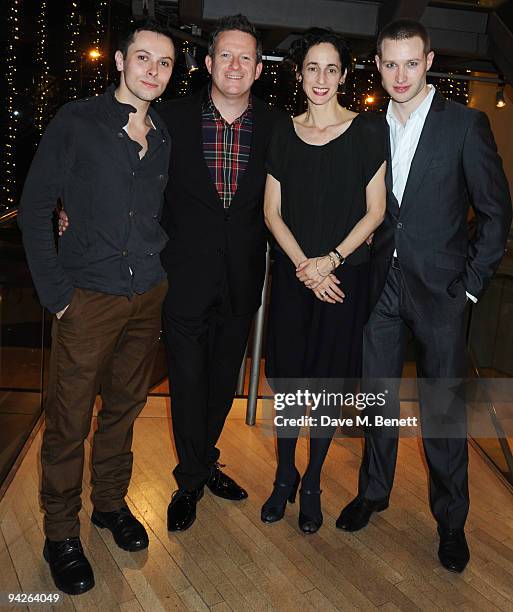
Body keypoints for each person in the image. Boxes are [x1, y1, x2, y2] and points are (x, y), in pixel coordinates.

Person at [336, 19, 512, 573]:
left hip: (442, 294)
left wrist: (470, 287)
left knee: (443, 413)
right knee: (377, 400)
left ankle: (451, 522)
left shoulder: (466, 125)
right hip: (379, 290)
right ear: (379, 65)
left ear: (429, 61)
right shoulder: (365, 127)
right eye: (390, 63)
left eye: (411, 63)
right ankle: (374, 492)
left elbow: (495, 213)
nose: (400, 74)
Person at [18, 20, 175, 595]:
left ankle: (109, 505)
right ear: (119, 60)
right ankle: (61, 532)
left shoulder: (161, 134)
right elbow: (37, 209)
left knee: (124, 411)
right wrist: (58, 296)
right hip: (87, 299)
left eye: (163, 63)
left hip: (146, 296)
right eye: (143, 58)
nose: (153, 71)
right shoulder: (76, 122)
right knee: (68, 421)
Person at [158, 15, 284, 532]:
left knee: (220, 386)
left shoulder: (279, 128)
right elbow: (131, 175)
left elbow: (301, 194)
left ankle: (203, 461)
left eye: (246, 58)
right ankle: (190, 480)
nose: (235, 65)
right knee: (186, 383)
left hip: (241, 279)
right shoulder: (170, 118)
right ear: (208, 63)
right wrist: (71, 209)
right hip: (183, 278)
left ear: (258, 69)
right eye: (226, 55)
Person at [261, 28, 387, 534]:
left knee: (327, 386)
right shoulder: (283, 132)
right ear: (299, 73)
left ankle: (311, 481)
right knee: (290, 381)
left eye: (331, 69)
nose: (321, 78)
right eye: (312, 67)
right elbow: (272, 212)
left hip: (343, 279)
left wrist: (329, 262)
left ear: (343, 75)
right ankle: (283, 475)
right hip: (296, 277)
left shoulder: (367, 131)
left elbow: (375, 212)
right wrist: (304, 268)